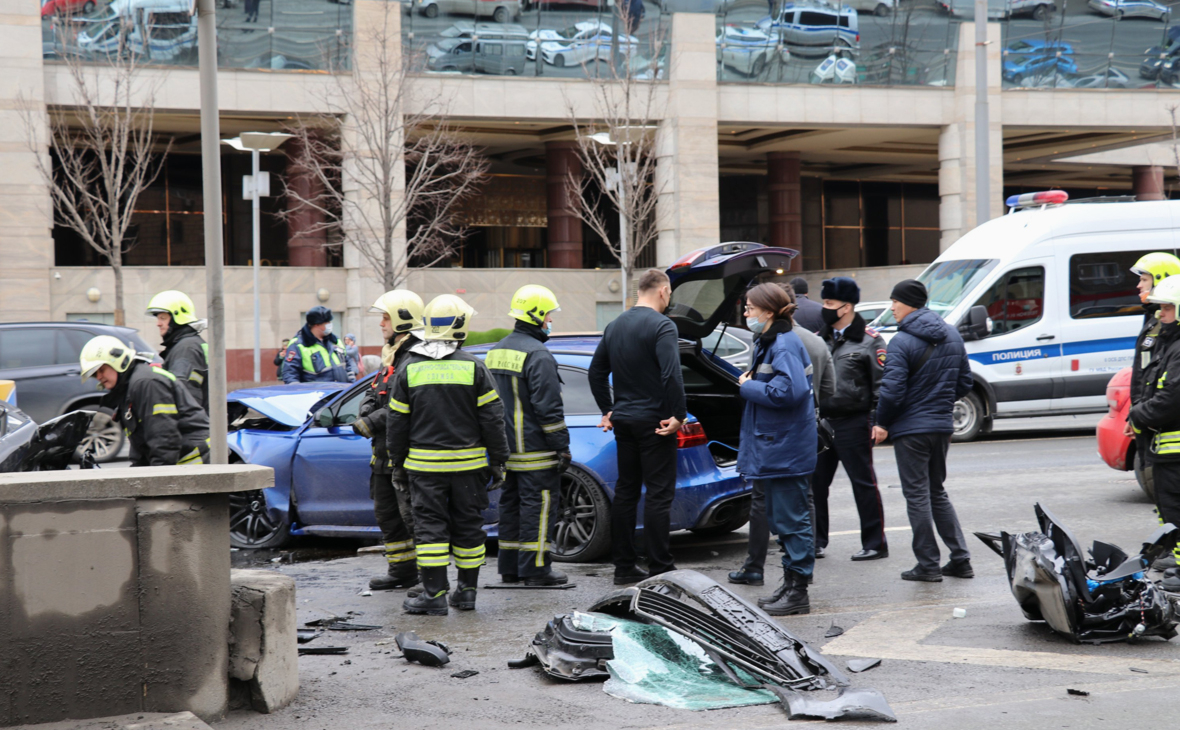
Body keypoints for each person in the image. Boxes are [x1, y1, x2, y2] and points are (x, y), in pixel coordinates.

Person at [386, 295, 510, 616]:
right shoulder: (475, 368)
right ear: (460, 327)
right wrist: (498, 460)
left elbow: (396, 424)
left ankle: (434, 594)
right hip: (471, 469)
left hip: (424, 470)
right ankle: (466, 593)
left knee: (430, 530)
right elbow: (494, 420)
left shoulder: (408, 369)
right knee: (469, 527)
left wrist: (396, 464)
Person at [729, 282, 833, 588]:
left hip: (785, 449)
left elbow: (789, 390)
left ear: (768, 311)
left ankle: (797, 590)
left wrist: (747, 386)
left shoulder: (784, 344)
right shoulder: (772, 341)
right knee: (784, 521)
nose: (746, 313)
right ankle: (789, 585)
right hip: (778, 447)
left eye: (749, 308)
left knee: (792, 522)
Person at [588, 269, 686, 586]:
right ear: (663, 291)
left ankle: (624, 567)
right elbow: (672, 375)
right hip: (655, 421)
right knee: (658, 494)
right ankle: (660, 566)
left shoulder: (615, 326)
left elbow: (596, 372)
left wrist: (608, 409)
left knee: (626, 493)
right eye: (669, 294)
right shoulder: (662, 325)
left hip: (625, 422)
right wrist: (679, 416)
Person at [872, 279, 973, 583]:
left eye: (895, 302)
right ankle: (961, 559)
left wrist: (882, 422)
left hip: (911, 430)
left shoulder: (902, 341)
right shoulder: (952, 335)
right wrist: (939, 401)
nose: (892, 308)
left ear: (910, 304)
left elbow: (891, 391)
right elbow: (965, 382)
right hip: (941, 426)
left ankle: (928, 564)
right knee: (936, 491)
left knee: (917, 495)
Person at [487, 285, 571, 586]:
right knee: (539, 508)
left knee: (510, 508)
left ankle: (510, 569)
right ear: (536, 315)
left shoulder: (495, 352)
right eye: (548, 314)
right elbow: (548, 409)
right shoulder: (538, 354)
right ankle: (536, 570)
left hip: (506, 451)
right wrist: (562, 447)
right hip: (536, 452)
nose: (550, 319)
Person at [812, 277, 889, 562]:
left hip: (854, 421)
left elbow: (883, 384)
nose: (824, 308)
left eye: (829, 303)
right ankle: (816, 541)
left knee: (863, 483)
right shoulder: (822, 337)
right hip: (824, 422)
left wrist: (879, 421)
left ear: (846, 307)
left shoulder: (870, 340)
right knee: (816, 484)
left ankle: (875, 543)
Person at [353, 291, 425, 592]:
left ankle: (429, 577)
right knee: (389, 517)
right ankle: (401, 570)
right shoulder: (392, 354)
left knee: (414, 518)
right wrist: (366, 410)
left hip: (405, 456)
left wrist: (370, 422)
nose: (381, 323)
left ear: (402, 319)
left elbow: (403, 406)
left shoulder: (415, 356)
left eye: (386, 317)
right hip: (382, 456)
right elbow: (375, 391)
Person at [80, 335, 210, 467]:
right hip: (180, 461)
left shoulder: (146, 383)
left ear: (117, 361)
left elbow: (164, 438)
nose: (99, 377)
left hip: (195, 460)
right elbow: (141, 445)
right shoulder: (129, 388)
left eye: (101, 370)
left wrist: (156, 479)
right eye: (95, 374)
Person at [1126, 252, 1180, 569]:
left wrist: (1138, 415)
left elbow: (1171, 393)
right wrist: (1136, 414)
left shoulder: (1168, 335)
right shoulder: (1156, 328)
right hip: (1153, 427)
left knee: (1172, 499)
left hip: (1165, 430)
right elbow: (1146, 379)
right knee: (1163, 498)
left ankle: (1176, 558)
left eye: (1144, 279)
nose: (1138, 285)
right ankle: (1169, 550)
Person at [146, 290, 208, 411]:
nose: (158, 324)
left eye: (163, 318)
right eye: (158, 318)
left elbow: (183, 395)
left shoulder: (186, 349)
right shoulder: (190, 344)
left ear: (178, 318)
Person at [281, 306, 355, 384]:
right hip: (318, 395)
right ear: (316, 324)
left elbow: (348, 364)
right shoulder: (298, 345)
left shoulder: (335, 341)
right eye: (327, 322)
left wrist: (352, 386)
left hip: (342, 393)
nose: (330, 324)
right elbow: (290, 374)